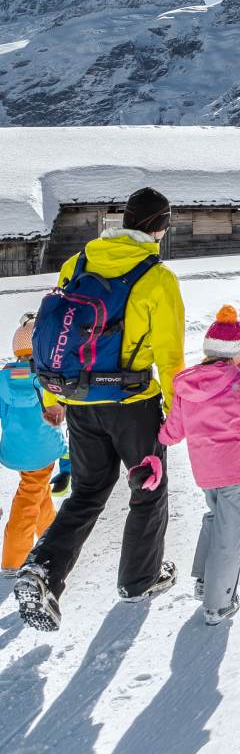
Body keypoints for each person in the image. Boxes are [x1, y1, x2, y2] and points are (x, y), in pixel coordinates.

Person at [15, 187, 185, 632]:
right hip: (131, 404)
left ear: (125, 220)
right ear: (159, 227)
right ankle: (139, 578)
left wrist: (52, 398)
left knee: (87, 493)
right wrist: (180, 411)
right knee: (147, 489)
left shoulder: (79, 263)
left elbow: (52, 336)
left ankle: (43, 571)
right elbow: (169, 357)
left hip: (78, 401)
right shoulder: (157, 278)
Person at [157, 305, 240, 625]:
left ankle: (206, 580)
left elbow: (173, 433)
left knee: (215, 516)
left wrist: (154, 438)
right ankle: (218, 603)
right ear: (238, 353)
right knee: (229, 532)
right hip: (236, 468)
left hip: (206, 471)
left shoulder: (186, 385)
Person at [0, 315, 68, 573]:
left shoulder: (4, 379)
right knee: (29, 498)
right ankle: (13, 561)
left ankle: (50, 542)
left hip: (14, 451)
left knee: (37, 493)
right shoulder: (47, 379)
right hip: (44, 452)